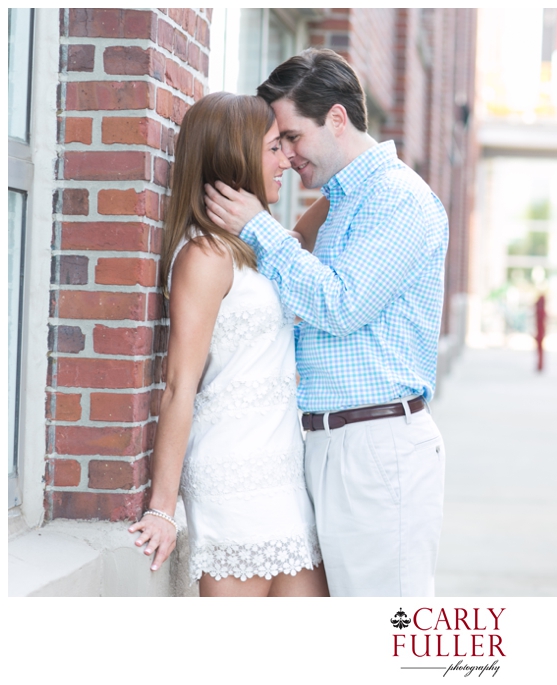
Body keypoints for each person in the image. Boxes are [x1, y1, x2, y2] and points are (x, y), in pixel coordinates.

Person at [203, 48, 449, 597]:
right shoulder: (338, 203)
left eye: (292, 136)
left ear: (337, 119)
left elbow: (340, 306)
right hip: (323, 447)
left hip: (377, 449)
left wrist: (256, 227)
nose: (286, 156)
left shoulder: (398, 199)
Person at [128, 92, 329, 597]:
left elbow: (299, 244)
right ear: (233, 157)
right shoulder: (204, 255)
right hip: (232, 480)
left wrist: (354, 171)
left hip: (284, 474)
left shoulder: (255, 245)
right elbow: (180, 386)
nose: (285, 159)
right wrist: (162, 507)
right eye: (272, 148)